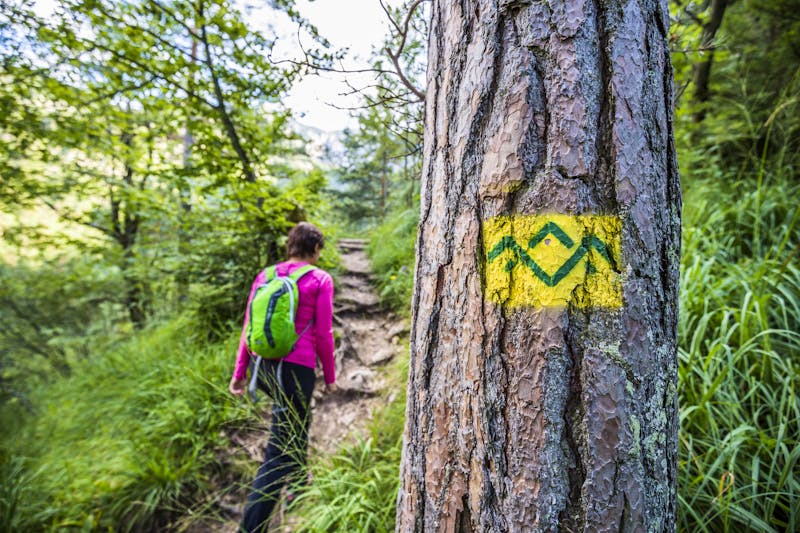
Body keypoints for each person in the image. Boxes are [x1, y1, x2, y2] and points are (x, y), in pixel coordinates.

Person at [229, 222, 336, 533]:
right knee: (279, 450)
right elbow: (324, 334)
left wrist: (240, 373)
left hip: (264, 367)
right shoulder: (319, 279)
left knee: (295, 423)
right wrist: (329, 377)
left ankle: (299, 485)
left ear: (290, 246)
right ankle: (251, 528)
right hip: (296, 370)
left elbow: (248, 327)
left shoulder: (266, 276)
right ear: (316, 248)